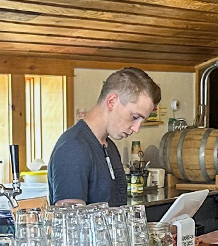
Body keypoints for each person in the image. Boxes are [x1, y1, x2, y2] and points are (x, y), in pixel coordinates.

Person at [47, 67, 161, 206]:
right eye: (134, 117)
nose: (136, 129)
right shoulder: (72, 148)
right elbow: (70, 217)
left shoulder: (109, 146)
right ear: (112, 101)